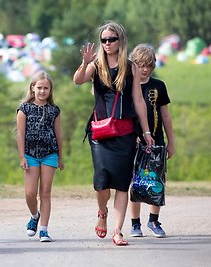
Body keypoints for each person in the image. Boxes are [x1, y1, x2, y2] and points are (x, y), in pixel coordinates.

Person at [73, 21, 154, 246]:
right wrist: (84, 63)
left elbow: (138, 100)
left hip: (125, 132)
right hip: (100, 132)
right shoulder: (96, 65)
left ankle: (117, 231)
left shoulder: (131, 67)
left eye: (112, 39)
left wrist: (146, 130)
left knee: (121, 184)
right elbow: (78, 81)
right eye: (104, 40)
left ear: (120, 40)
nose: (107, 43)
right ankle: (102, 212)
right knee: (101, 182)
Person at [129, 44, 175, 238]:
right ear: (133, 65)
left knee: (157, 180)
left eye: (149, 65)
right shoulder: (127, 85)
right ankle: (135, 224)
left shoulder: (158, 86)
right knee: (135, 182)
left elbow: (165, 116)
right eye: (140, 65)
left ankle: (154, 221)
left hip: (156, 139)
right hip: (132, 141)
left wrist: (171, 142)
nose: (145, 69)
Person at [16, 72, 64, 242]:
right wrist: (22, 156)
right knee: (30, 193)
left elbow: (59, 135)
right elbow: (20, 134)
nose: (42, 91)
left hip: (49, 154)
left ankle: (44, 230)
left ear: (50, 90)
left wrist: (60, 157)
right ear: (32, 88)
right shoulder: (24, 109)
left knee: (45, 192)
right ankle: (34, 215)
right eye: (39, 87)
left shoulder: (54, 111)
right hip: (30, 155)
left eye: (46, 88)